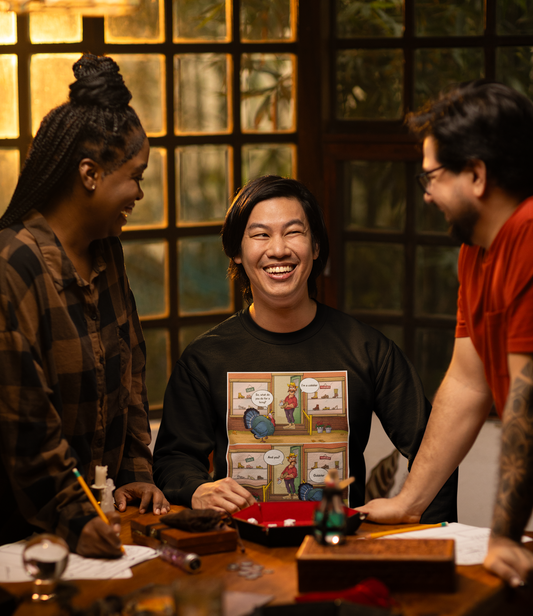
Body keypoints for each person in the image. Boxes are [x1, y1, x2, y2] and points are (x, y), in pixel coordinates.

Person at [153, 175, 457, 521]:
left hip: (336, 547)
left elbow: (434, 446)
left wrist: (436, 536)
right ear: (237, 252)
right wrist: (196, 488)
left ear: (315, 247)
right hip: (238, 552)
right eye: (260, 234)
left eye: (294, 232)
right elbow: (172, 459)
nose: (278, 249)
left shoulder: (367, 349)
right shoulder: (205, 357)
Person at [357, 80, 533, 587]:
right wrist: (409, 501)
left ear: (476, 175)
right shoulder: (476, 249)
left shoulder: (528, 235)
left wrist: (503, 534)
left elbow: (527, 400)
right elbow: (468, 380)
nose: (427, 193)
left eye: (431, 176)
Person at [0, 53, 169, 558]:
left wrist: (136, 475)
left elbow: (131, 378)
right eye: (135, 176)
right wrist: (74, 517)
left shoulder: (108, 254)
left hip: (99, 526)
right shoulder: (12, 267)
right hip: (23, 541)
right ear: (90, 174)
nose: (139, 192)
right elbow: (25, 422)